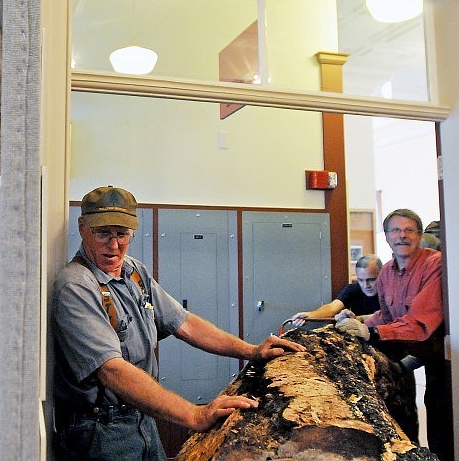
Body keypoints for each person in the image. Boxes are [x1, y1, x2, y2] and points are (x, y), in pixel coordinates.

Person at [52, 186, 305, 461]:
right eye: (103, 233)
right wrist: (194, 414)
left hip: (142, 418)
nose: (114, 246)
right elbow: (111, 370)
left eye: (122, 234)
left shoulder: (134, 272)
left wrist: (252, 351)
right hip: (101, 432)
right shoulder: (75, 285)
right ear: (82, 227)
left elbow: (185, 324)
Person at [335, 209, 453, 461]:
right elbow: (389, 316)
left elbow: (420, 324)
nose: (403, 236)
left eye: (409, 230)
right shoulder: (387, 271)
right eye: (396, 230)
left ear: (419, 235)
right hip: (413, 357)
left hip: (445, 361)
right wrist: (358, 320)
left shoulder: (436, 265)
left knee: (446, 428)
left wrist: (372, 331)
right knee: (419, 421)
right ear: (387, 237)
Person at [290, 254, 381, 327]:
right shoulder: (353, 289)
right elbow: (332, 308)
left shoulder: (391, 291)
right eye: (361, 280)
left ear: (382, 275)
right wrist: (310, 316)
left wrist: (357, 319)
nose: (366, 285)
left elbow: (388, 317)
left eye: (371, 279)